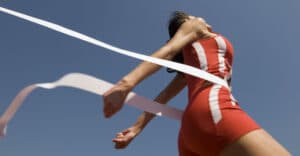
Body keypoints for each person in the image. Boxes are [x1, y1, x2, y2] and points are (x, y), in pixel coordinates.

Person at [102, 11, 290, 156]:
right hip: (215, 110)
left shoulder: (192, 68)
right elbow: (168, 50)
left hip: (189, 133)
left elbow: (163, 96)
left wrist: (136, 128)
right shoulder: (196, 25)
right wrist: (126, 83)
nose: (202, 18)